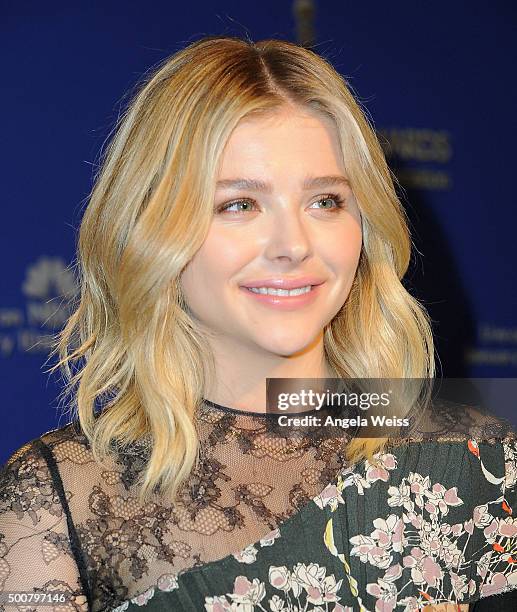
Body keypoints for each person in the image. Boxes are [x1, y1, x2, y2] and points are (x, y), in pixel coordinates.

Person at [1, 35, 516, 612]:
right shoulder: (61, 499)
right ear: (152, 231)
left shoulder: (474, 459)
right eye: (239, 205)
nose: (293, 246)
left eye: (325, 201)